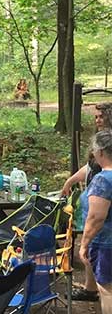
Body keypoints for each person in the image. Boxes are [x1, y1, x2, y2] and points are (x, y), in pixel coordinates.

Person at [62, 102, 112, 302]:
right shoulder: (98, 142)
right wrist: (71, 180)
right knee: (93, 246)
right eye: (96, 117)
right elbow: (90, 167)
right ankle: (90, 288)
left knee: (96, 240)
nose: (98, 120)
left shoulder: (108, 142)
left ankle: (99, 290)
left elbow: (97, 216)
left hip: (104, 199)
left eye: (102, 116)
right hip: (96, 196)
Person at [79, 131, 112, 314]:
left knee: (107, 290)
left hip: (107, 243)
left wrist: (84, 243)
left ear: (100, 152)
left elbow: (96, 218)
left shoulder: (103, 179)